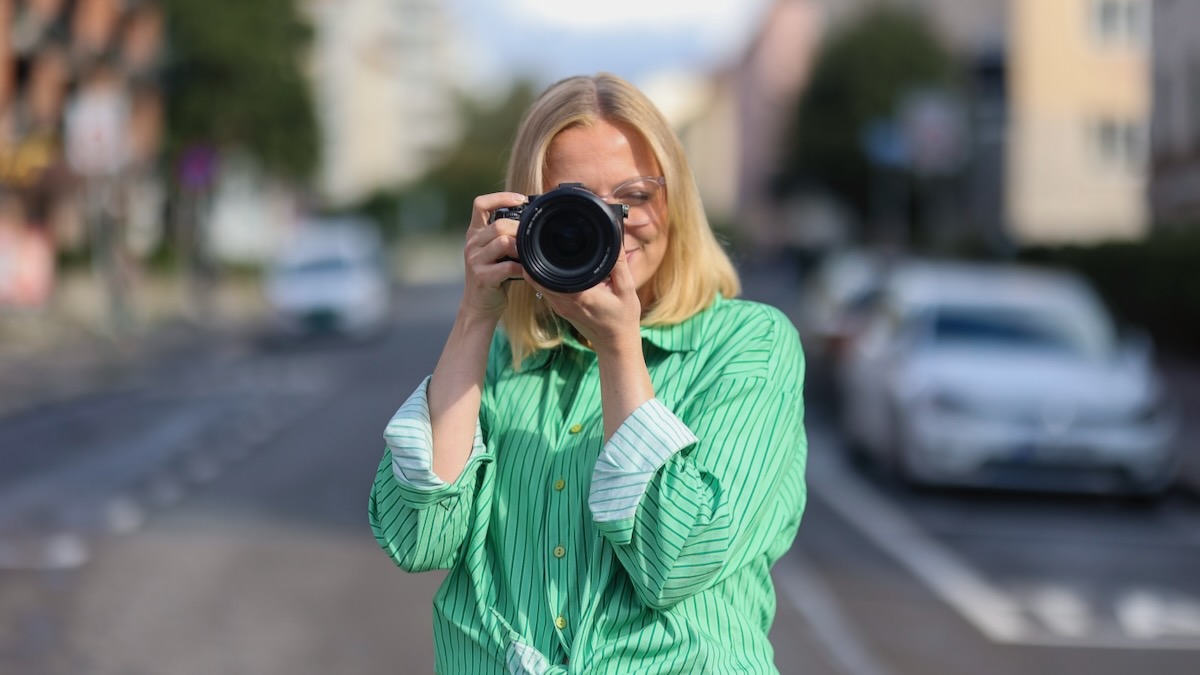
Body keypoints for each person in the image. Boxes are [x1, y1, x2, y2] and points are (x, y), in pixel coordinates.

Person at [369, 73, 807, 674]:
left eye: (634, 196)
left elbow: (677, 558)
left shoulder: (749, 344)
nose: (610, 224)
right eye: (575, 206)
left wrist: (619, 346)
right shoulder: (497, 359)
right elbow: (417, 537)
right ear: (526, 217)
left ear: (675, 200)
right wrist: (475, 316)